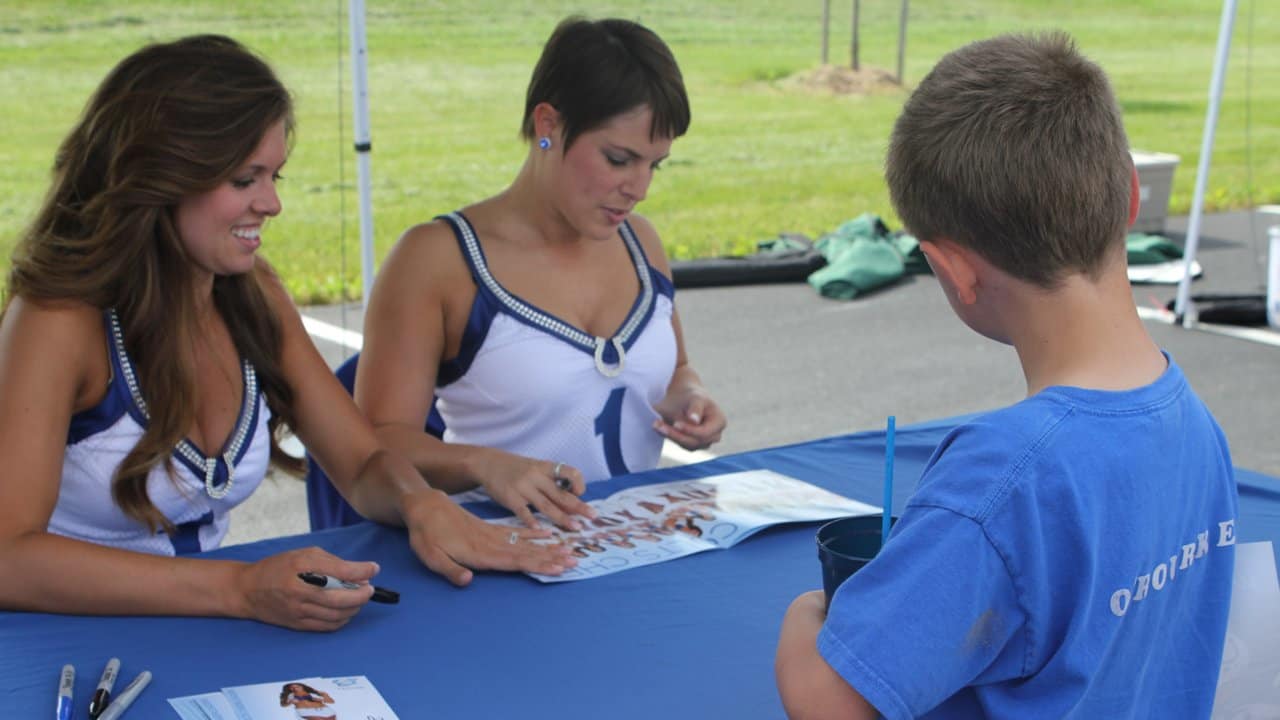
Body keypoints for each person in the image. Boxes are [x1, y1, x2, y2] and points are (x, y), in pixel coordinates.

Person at [0, 34, 571, 633]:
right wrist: (240, 588)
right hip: (57, 643)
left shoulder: (252, 295)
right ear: (161, 178)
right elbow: (9, 558)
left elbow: (362, 462)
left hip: (196, 633)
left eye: (275, 175)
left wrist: (419, 502)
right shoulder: (57, 321)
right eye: (245, 180)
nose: (271, 204)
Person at [776, 32, 1237, 718]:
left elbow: (830, 702)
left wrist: (806, 613)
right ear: (1132, 195)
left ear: (955, 270)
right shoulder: (1196, 424)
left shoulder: (1002, 483)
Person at [350, 16, 727, 532]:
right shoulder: (439, 260)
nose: (638, 187)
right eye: (619, 159)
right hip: (499, 565)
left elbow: (677, 369)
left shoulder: (642, 243)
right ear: (547, 125)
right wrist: (482, 464)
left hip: (635, 555)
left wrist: (690, 398)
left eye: (655, 165)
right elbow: (373, 446)